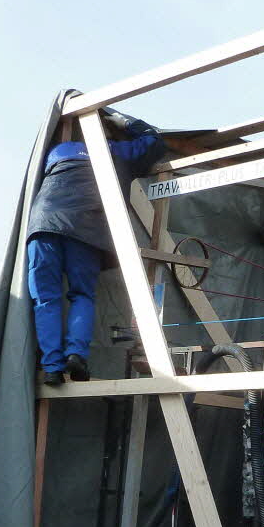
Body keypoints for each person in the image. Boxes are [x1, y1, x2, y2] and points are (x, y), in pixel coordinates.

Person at [26, 108, 166, 385]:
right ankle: (76, 354)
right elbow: (155, 140)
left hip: (44, 223)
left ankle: (52, 367)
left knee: (45, 299)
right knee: (81, 295)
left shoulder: (60, 150)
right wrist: (126, 121)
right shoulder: (118, 152)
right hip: (87, 228)